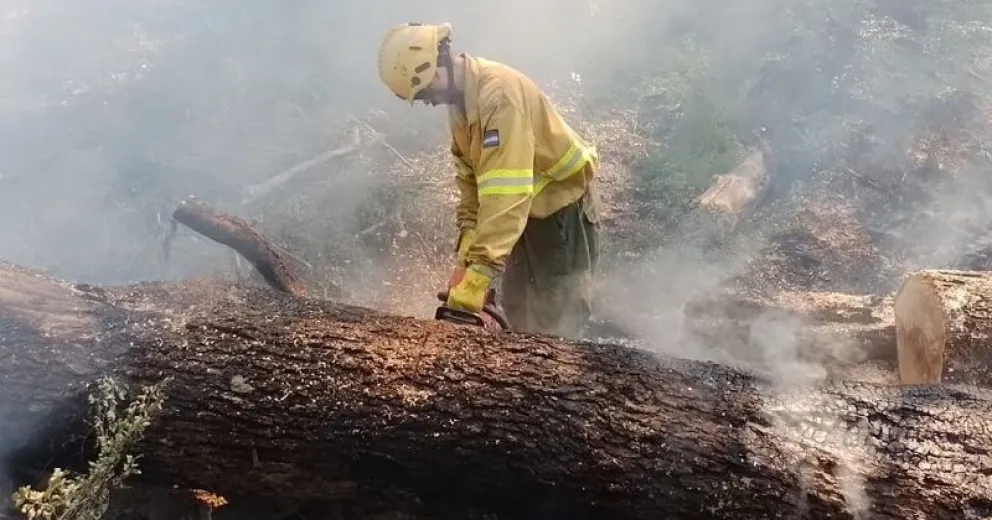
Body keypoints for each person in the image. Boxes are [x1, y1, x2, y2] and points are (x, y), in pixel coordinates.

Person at [377, 22, 601, 339]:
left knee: (555, 318)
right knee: (518, 305)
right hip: (522, 214)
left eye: (425, 93)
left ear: (434, 71)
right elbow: (469, 180)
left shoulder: (498, 97)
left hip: (560, 208)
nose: (429, 102)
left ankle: (555, 370)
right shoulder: (461, 106)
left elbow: (507, 193)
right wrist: (466, 257)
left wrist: (481, 270)